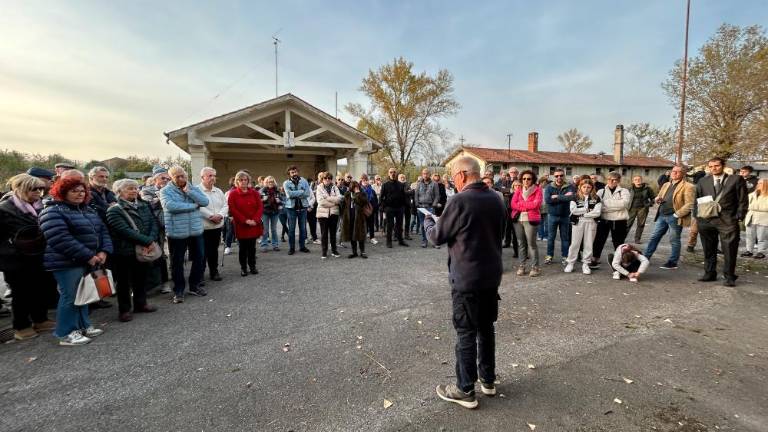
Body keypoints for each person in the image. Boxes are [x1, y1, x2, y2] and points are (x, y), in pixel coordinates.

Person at [423, 156, 505, 409]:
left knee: (466, 332)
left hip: (468, 278)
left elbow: (437, 237)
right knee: (486, 329)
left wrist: (428, 220)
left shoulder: (459, 200)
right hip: (491, 276)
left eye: (453, 176)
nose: (453, 182)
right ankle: (488, 380)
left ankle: (464, 389)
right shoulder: (497, 198)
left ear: (461, 175)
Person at [39, 175, 112, 346]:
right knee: (70, 296)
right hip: (66, 262)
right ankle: (66, 333)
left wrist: (104, 251)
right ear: (62, 192)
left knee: (85, 293)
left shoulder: (87, 209)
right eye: (74, 191)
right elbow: (59, 238)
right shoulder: (52, 211)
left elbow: (103, 232)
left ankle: (83, 325)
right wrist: (88, 255)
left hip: (90, 260)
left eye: (82, 191)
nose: (79, 194)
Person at [0, 174, 55, 341]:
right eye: (34, 189)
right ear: (20, 189)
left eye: (41, 189)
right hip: (16, 260)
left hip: (38, 256)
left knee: (41, 289)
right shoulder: (4, 209)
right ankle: (21, 325)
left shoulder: (39, 206)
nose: (39, 192)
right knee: (21, 293)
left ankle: (40, 319)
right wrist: (13, 251)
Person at [105, 179, 160, 322]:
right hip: (125, 251)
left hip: (144, 248)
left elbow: (154, 222)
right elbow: (124, 231)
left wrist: (151, 239)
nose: (134, 191)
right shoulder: (114, 210)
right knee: (124, 282)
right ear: (119, 191)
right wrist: (148, 241)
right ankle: (124, 310)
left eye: (135, 188)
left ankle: (141, 304)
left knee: (141, 278)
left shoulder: (144, 205)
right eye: (130, 188)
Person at [159, 165, 209, 303]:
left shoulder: (193, 188)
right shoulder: (165, 191)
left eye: (183, 176)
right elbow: (171, 206)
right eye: (177, 176)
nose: (181, 178)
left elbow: (205, 201)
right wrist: (193, 206)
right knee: (177, 262)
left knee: (199, 258)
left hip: (195, 230)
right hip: (177, 232)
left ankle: (194, 286)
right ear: (171, 177)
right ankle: (179, 290)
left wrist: (190, 192)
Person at [695, 157, 748, 287]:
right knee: (708, 249)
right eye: (711, 166)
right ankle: (709, 273)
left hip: (728, 220)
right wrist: (697, 217)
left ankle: (729, 276)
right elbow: (696, 199)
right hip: (706, 220)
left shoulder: (735, 179)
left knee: (729, 250)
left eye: (717, 166)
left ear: (723, 166)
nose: (714, 168)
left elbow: (743, 200)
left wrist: (739, 216)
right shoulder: (703, 181)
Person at [643, 165, 695, 269]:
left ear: (683, 174)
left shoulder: (689, 186)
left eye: (678, 171)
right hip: (662, 215)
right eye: (673, 171)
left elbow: (690, 204)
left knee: (674, 240)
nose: (674, 173)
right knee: (654, 237)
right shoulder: (666, 184)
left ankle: (672, 262)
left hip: (674, 217)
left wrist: (676, 215)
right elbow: (660, 196)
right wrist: (658, 199)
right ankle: (645, 258)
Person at [140, 166, 171, 293]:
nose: (165, 180)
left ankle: (170, 277)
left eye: (167, 178)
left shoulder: (172, 189)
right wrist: (162, 196)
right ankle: (161, 282)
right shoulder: (147, 190)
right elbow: (149, 205)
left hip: (172, 223)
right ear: (155, 179)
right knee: (158, 253)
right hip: (156, 225)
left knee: (174, 252)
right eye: (162, 178)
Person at [227, 171, 263, 276]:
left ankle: (252, 266)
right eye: (240, 180)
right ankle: (243, 268)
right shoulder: (233, 194)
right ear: (236, 182)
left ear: (248, 181)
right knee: (242, 248)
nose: (243, 182)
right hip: (241, 225)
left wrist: (255, 220)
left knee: (252, 248)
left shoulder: (255, 193)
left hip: (253, 225)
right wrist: (245, 220)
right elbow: (233, 209)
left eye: (245, 180)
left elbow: (260, 207)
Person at [591, 172, 630, 268]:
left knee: (619, 242)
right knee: (599, 240)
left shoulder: (624, 191)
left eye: (614, 180)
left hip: (619, 220)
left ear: (618, 181)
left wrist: (606, 204)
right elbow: (598, 206)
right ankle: (595, 259)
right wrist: (614, 205)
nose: (611, 181)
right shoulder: (601, 191)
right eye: (609, 179)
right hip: (604, 220)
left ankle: (619, 262)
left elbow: (624, 204)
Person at [564, 179, 602, 274]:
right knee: (575, 243)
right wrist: (587, 209)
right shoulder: (575, 197)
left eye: (588, 187)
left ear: (592, 188)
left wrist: (584, 214)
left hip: (591, 222)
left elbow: (597, 213)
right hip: (578, 222)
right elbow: (573, 211)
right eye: (584, 187)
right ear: (580, 187)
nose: (586, 189)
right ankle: (570, 263)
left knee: (588, 244)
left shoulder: (596, 198)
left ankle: (586, 263)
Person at [511, 170, 542, 277]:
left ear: (532, 179)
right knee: (521, 244)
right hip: (518, 219)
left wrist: (522, 204)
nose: (526, 181)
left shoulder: (537, 190)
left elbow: (536, 205)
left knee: (531, 244)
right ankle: (522, 266)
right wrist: (526, 205)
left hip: (531, 219)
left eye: (529, 179)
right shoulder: (518, 190)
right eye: (524, 179)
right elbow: (513, 204)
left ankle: (535, 267)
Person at [198, 167, 228, 282]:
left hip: (216, 227)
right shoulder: (197, 190)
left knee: (214, 250)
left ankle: (214, 271)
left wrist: (220, 215)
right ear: (202, 177)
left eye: (214, 175)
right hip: (203, 227)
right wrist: (211, 216)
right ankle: (200, 274)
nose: (212, 178)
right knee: (201, 252)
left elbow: (225, 205)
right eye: (209, 176)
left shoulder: (218, 191)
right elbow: (198, 206)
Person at [544, 168, 575, 265]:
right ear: (554, 177)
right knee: (551, 238)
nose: (559, 177)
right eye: (557, 176)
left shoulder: (569, 186)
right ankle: (549, 256)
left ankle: (565, 257)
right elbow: (548, 200)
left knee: (565, 238)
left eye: (561, 175)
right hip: (552, 215)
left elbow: (572, 197)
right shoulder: (549, 187)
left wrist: (556, 196)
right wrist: (564, 197)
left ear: (564, 176)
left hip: (565, 216)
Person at [282, 166, 312, 255]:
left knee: (303, 229)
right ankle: (292, 248)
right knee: (291, 229)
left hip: (303, 208)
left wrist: (296, 193)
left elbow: (307, 193)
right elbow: (288, 195)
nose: (294, 174)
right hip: (291, 209)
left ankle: (302, 247)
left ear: (298, 172)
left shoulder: (304, 181)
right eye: (292, 172)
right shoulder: (286, 183)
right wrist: (301, 191)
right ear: (289, 174)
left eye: (295, 172)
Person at [380, 168, 409, 248]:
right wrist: (383, 208)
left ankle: (400, 241)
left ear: (396, 174)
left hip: (399, 208)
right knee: (390, 225)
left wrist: (403, 207)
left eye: (394, 172)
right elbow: (381, 197)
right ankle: (389, 242)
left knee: (399, 225)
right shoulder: (385, 185)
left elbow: (403, 197)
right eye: (391, 172)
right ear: (388, 174)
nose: (393, 174)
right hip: (389, 208)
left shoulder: (400, 184)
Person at [315, 172, 342, 258]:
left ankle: (334, 250)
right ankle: (324, 251)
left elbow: (339, 199)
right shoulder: (319, 188)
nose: (327, 180)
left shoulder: (335, 187)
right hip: (322, 214)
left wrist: (327, 198)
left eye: (329, 178)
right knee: (324, 234)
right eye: (325, 178)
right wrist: (333, 202)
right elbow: (321, 202)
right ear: (322, 179)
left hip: (334, 213)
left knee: (333, 233)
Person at [342, 181, 370, 258]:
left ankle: (362, 252)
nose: (356, 188)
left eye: (357, 187)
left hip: (359, 217)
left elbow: (364, 202)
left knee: (360, 234)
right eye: (354, 187)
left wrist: (358, 194)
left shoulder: (362, 194)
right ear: (351, 188)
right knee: (352, 235)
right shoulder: (347, 194)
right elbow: (344, 205)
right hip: (350, 216)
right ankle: (354, 252)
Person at [414, 168, 440, 248]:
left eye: (427, 173)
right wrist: (417, 204)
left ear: (429, 174)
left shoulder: (434, 184)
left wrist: (434, 205)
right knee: (422, 225)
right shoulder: (419, 184)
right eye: (424, 173)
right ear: (422, 174)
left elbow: (437, 196)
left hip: (430, 207)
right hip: (421, 207)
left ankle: (433, 242)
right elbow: (416, 195)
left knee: (432, 225)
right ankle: (424, 241)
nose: (425, 175)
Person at [626, 175, 655, 243]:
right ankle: (622, 237)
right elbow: (626, 198)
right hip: (632, 208)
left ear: (642, 180)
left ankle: (637, 239)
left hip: (643, 208)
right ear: (633, 181)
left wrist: (649, 204)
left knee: (640, 224)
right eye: (635, 180)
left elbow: (653, 198)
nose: (637, 181)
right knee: (628, 224)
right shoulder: (630, 189)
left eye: (639, 179)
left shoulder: (647, 189)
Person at [742, 178, 767, 259]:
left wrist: (753, 207)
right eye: (758, 183)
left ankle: (761, 252)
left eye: (761, 183)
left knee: (762, 236)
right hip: (751, 217)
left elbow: (765, 208)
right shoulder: (752, 194)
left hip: (764, 218)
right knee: (749, 235)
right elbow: (747, 205)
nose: (758, 184)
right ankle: (749, 251)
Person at [259, 176, 283, 252]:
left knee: (274, 229)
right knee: (265, 229)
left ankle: (275, 245)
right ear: (266, 182)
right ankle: (264, 245)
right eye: (269, 182)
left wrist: (279, 202)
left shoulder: (277, 190)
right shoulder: (262, 190)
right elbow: (257, 201)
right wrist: (263, 200)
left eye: (272, 181)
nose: (271, 183)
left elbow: (282, 200)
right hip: (265, 212)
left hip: (275, 212)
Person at [360, 174, 379, 245]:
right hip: (362, 210)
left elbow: (375, 200)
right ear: (361, 180)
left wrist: (375, 209)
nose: (365, 181)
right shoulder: (360, 190)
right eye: (363, 180)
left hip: (371, 210)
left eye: (366, 180)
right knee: (363, 224)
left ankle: (372, 237)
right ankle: (363, 236)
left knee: (371, 224)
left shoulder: (372, 190)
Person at [223, 176, 237, 255]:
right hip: (231, 215)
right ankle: (227, 247)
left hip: (242, 215)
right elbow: (227, 205)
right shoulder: (229, 192)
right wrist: (230, 215)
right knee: (230, 231)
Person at [306, 173, 320, 245]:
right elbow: (301, 199)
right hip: (304, 209)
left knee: (313, 223)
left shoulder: (309, 189)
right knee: (303, 225)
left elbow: (313, 198)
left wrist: (310, 206)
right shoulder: (301, 189)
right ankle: (305, 238)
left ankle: (314, 238)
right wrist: (307, 207)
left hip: (311, 208)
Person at [399, 173, 414, 240]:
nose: (402, 178)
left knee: (407, 221)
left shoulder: (407, 184)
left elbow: (412, 193)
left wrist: (410, 191)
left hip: (408, 205)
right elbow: (403, 192)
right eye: (401, 177)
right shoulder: (397, 184)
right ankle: (397, 235)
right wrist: (409, 191)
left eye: (403, 177)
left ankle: (406, 234)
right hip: (400, 205)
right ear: (399, 178)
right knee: (399, 221)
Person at [536, 177, 549, 241]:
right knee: (540, 223)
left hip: (547, 208)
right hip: (538, 208)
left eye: (545, 182)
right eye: (543, 182)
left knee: (547, 223)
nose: (544, 184)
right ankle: (540, 235)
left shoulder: (548, 189)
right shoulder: (536, 189)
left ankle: (546, 236)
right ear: (540, 182)